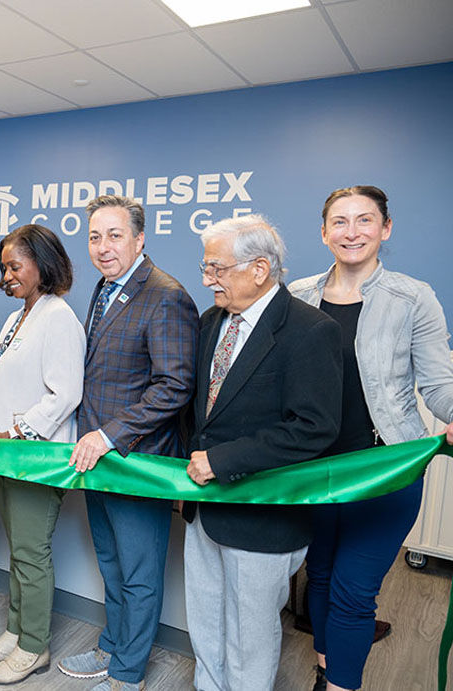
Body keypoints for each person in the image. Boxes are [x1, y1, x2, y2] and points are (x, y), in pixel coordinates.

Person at [290, 185, 453, 691]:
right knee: (317, 577)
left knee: (354, 590)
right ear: (323, 233)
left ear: (386, 229)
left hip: (386, 470)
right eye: (340, 221)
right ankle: (325, 670)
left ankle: (341, 685)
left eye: (365, 220)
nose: (352, 231)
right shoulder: (295, 297)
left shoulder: (413, 297)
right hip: (313, 469)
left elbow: (440, 383)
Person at [182, 214, 342, 690]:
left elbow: (315, 428)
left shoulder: (311, 330)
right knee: (206, 624)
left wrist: (223, 461)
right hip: (205, 510)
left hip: (263, 515)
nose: (207, 278)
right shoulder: (213, 320)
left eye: (217, 268)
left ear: (259, 269)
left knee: (250, 638)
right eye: (205, 266)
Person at [58, 196, 198, 691]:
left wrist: (108, 435)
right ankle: (112, 645)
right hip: (97, 460)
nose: (103, 246)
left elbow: (174, 386)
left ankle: (127, 674)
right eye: (95, 236)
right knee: (113, 565)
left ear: (140, 239)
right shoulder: (103, 287)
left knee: (139, 574)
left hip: (138, 460)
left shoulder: (165, 295)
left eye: (115, 235)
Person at [0, 223, 85, 685]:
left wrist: (14, 431)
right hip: (4, 454)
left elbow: (65, 395)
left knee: (31, 552)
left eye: (14, 266)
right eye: (3, 267)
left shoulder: (59, 317)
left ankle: (34, 646)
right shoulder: (15, 318)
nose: (6, 275)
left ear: (42, 266)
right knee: (18, 549)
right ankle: (15, 630)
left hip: (36, 457)